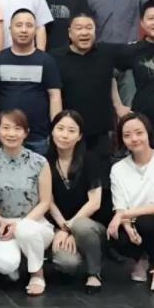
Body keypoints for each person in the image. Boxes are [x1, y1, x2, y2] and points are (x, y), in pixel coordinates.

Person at [0, 109, 54, 296]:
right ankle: (17, 262)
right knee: (5, 265)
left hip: (35, 223)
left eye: (17, 128)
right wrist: (0, 221)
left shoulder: (39, 162)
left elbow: (45, 201)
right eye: (6, 128)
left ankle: (37, 274)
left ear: (26, 132)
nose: (11, 133)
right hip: (3, 224)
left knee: (26, 231)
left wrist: (20, 225)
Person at [52, 14, 127, 183]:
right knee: (72, 179)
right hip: (69, 131)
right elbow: (53, 94)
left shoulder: (107, 53)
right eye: (79, 28)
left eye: (89, 28)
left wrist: (118, 105)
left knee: (101, 179)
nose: (84, 32)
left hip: (100, 131)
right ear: (70, 33)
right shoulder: (55, 57)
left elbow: (110, 78)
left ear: (95, 31)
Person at [108, 112, 154, 292]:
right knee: (115, 234)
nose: (134, 139)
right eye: (127, 135)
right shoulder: (118, 169)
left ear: (148, 133)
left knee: (147, 222)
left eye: (139, 133)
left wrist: (122, 215)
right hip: (134, 223)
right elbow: (120, 205)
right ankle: (142, 259)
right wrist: (127, 226)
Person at [46, 111, 105, 293]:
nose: (64, 135)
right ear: (52, 131)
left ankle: (94, 274)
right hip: (60, 225)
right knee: (67, 264)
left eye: (71, 130)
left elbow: (94, 202)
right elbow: (48, 201)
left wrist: (71, 227)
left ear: (79, 136)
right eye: (60, 129)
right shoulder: (45, 161)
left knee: (82, 227)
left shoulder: (90, 159)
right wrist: (63, 228)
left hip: (89, 225)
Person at [0, 9, 62, 155]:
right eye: (19, 25)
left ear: (35, 30)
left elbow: (55, 96)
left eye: (29, 25)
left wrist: (56, 128)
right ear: (10, 29)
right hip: (5, 135)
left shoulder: (46, 60)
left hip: (38, 137)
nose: (23, 30)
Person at [113, 0, 154, 160]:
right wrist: (118, 106)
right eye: (151, 18)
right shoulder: (132, 50)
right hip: (144, 129)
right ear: (142, 23)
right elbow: (106, 73)